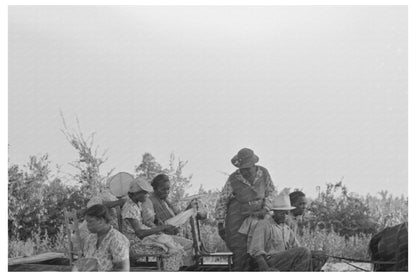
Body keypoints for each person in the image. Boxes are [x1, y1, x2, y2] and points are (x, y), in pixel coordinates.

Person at [214, 148, 276, 271]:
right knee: (240, 251)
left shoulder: (263, 173)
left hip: (260, 216)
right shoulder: (233, 178)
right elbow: (222, 201)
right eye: (243, 168)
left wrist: (266, 208)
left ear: (254, 164)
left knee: (261, 249)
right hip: (238, 216)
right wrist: (220, 223)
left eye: (248, 168)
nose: (245, 171)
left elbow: (271, 192)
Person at [121, 176, 186, 271]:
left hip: (140, 241)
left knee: (173, 246)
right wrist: (162, 228)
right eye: (144, 193)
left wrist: (158, 228)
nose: (147, 196)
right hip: (134, 244)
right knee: (173, 251)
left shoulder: (136, 205)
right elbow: (140, 233)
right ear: (136, 194)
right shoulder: (130, 207)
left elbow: (141, 227)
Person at [141, 173, 198, 266]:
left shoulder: (165, 200)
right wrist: (161, 227)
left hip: (171, 233)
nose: (167, 192)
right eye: (163, 189)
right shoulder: (149, 200)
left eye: (168, 189)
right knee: (189, 245)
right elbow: (148, 223)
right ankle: (185, 269)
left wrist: (189, 208)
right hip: (160, 236)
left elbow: (177, 215)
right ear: (155, 188)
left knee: (195, 244)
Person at [248, 193, 312, 271]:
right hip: (269, 261)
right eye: (282, 213)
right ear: (275, 212)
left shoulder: (287, 229)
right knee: (304, 251)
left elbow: (297, 247)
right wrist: (266, 269)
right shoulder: (264, 225)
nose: (285, 216)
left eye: (287, 213)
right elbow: (256, 251)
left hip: (284, 261)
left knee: (318, 256)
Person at [75, 204, 130, 271]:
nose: (87, 225)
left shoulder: (117, 239)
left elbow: (123, 269)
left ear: (101, 220)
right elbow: (85, 261)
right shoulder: (90, 238)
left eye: (90, 221)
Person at [288, 190, 328, 271]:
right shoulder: (287, 220)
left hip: (293, 253)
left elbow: (295, 244)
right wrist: (309, 253)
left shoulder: (294, 220)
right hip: (287, 256)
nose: (304, 206)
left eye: (305, 204)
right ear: (291, 205)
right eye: (301, 204)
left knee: (322, 255)